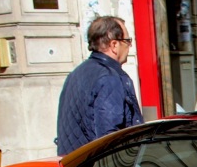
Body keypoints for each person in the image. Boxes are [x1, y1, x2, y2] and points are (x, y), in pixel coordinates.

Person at [55, 16, 143, 156]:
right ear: (114, 45)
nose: (130, 46)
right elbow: (109, 139)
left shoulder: (76, 73)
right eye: (127, 41)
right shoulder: (109, 78)